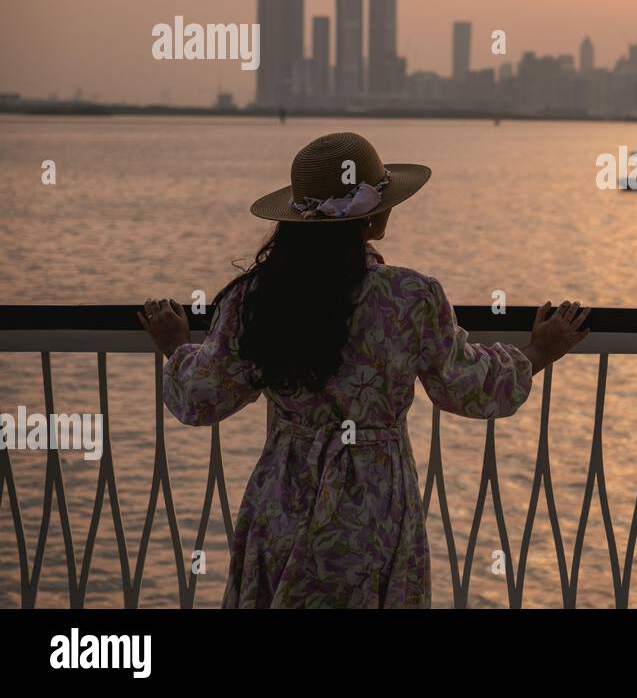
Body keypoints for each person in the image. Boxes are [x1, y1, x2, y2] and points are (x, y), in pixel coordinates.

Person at [137, 131, 589, 607]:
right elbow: (469, 388)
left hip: (283, 494)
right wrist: (540, 351)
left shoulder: (257, 297)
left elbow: (200, 398)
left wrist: (174, 345)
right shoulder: (409, 296)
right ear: (372, 218)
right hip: (374, 504)